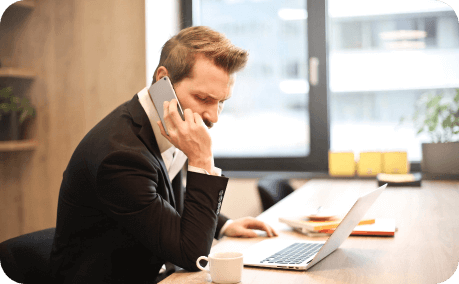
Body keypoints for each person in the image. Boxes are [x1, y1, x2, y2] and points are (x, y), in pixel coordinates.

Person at [50, 26, 277, 283]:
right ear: (163, 81)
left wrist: (222, 225)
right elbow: (192, 255)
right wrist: (202, 161)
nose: (213, 117)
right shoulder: (120, 157)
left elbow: (164, 197)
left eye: (221, 102)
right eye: (203, 98)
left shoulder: (165, 125)